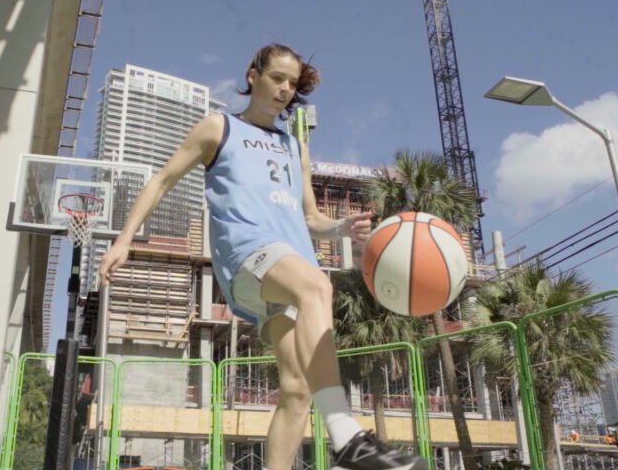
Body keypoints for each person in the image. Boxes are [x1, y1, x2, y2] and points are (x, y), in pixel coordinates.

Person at [100, 43, 426, 470]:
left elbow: (310, 217)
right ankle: (346, 435)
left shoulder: (295, 148)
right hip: (246, 251)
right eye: (277, 78)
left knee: (296, 390)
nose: (285, 89)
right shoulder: (218, 128)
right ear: (253, 75)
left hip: (286, 265)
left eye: (292, 83)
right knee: (317, 285)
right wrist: (124, 239)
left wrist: (342, 228)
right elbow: (161, 181)